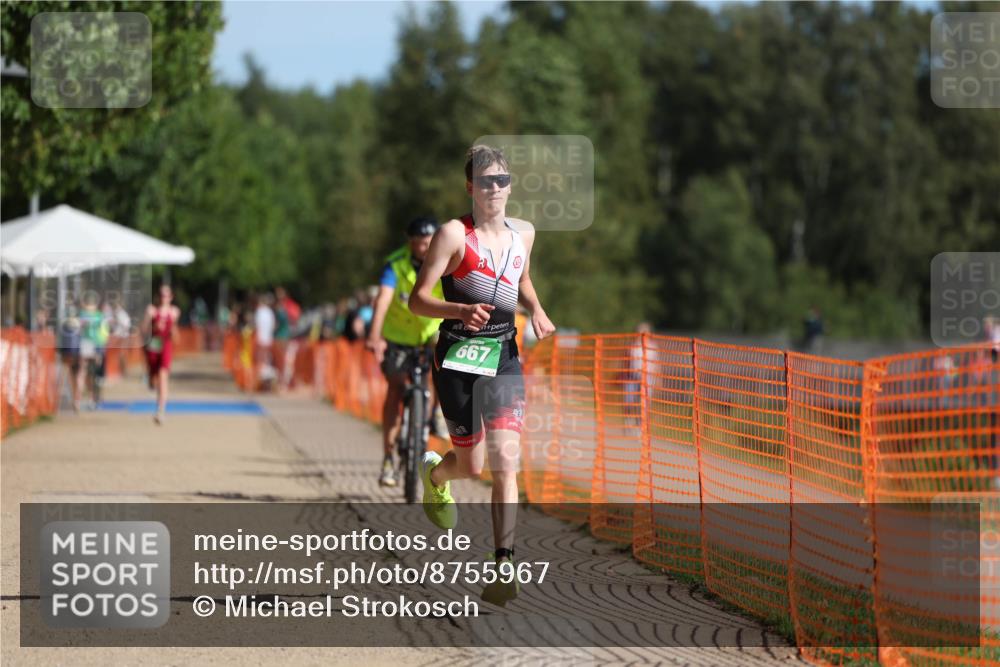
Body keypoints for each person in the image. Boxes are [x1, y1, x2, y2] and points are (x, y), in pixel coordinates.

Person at [409, 145, 556, 605]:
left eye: (502, 180)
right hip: (457, 359)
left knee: (506, 462)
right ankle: (436, 476)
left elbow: (521, 279)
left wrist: (537, 310)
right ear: (470, 187)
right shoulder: (453, 235)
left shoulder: (524, 233)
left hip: (504, 357)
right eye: (486, 181)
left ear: (510, 186)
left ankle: (503, 563)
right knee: (471, 466)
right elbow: (417, 300)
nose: (495, 188)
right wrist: (459, 310)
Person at [366, 216, 445, 487]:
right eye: (417, 243)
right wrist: (374, 335)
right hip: (398, 336)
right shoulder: (395, 265)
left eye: (428, 243)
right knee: (396, 389)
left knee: (444, 363)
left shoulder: (446, 262)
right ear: (409, 242)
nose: (423, 248)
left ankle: (437, 412)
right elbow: (383, 300)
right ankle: (388, 458)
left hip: (431, 331)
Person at [142, 284, 180, 424]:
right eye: (162, 295)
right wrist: (153, 327)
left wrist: (172, 330)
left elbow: (176, 335)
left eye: (166, 295)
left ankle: (161, 410)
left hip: (166, 346)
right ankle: (151, 380)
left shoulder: (174, 312)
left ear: (171, 297)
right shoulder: (151, 310)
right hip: (153, 345)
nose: (164, 298)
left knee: (163, 376)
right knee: (154, 380)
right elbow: (143, 330)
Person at [254, 293, 277, 390]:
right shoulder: (270, 312)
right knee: (267, 359)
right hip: (268, 339)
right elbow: (273, 326)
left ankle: (261, 379)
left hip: (260, 339)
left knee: (261, 359)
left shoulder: (259, 311)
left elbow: (256, 325)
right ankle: (266, 379)